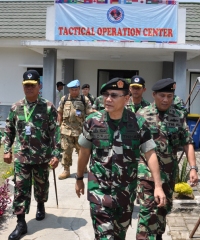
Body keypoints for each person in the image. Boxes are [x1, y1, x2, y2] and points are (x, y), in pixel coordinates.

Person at [75, 77, 166, 240]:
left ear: (126, 98)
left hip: (125, 193)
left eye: (114, 95)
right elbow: (84, 152)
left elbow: (150, 153)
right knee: (105, 237)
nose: (108, 99)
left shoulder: (138, 123)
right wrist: (79, 178)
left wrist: (158, 186)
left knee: (119, 235)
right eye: (106, 95)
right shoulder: (92, 122)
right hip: (99, 191)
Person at [136, 78, 199, 240]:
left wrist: (193, 167)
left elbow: (187, 142)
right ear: (154, 95)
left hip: (169, 175)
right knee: (148, 214)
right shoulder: (142, 115)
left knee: (163, 211)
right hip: (146, 175)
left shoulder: (177, 116)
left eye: (169, 96)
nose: (165, 99)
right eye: (162, 95)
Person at [3, 70, 61, 240]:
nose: (29, 88)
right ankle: (21, 223)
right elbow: (9, 130)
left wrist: (56, 154)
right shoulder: (16, 107)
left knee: (42, 187)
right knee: (21, 190)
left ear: (39, 86)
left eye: (32, 85)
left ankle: (41, 204)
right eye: (26, 85)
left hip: (42, 157)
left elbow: (55, 132)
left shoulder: (49, 107)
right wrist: (7, 149)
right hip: (22, 157)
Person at [57, 79, 93, 180]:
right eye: (72, 90)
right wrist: (59, 125)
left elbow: (90, 113)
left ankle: (83, 167)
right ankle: (66, 170)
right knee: (66, 150)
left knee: (81, 151)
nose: (74, 92)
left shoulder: (84, 99)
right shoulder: (64, 99)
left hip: (80, 131)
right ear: (69, 89)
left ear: (78, 89)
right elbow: (59, 112)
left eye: (76, 89)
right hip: (66, 130)